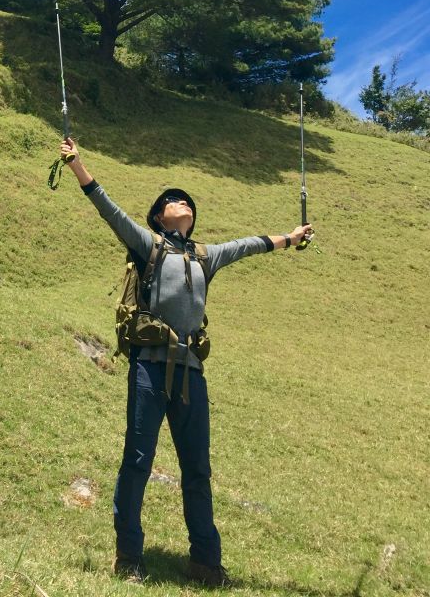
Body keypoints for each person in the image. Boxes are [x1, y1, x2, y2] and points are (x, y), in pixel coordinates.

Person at [59, 137, 312, 587]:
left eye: (187, 202)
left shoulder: (204, 256)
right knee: (137, 459)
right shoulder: (148, 244)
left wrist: (289, 239)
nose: (181, 203)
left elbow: (247, 245)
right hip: (149, 368)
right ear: (159, 216)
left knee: (197, 468)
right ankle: (130, 557)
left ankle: (207, 564)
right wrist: (78, 165)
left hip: (192, 373)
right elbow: (109, 211)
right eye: (172, 201)